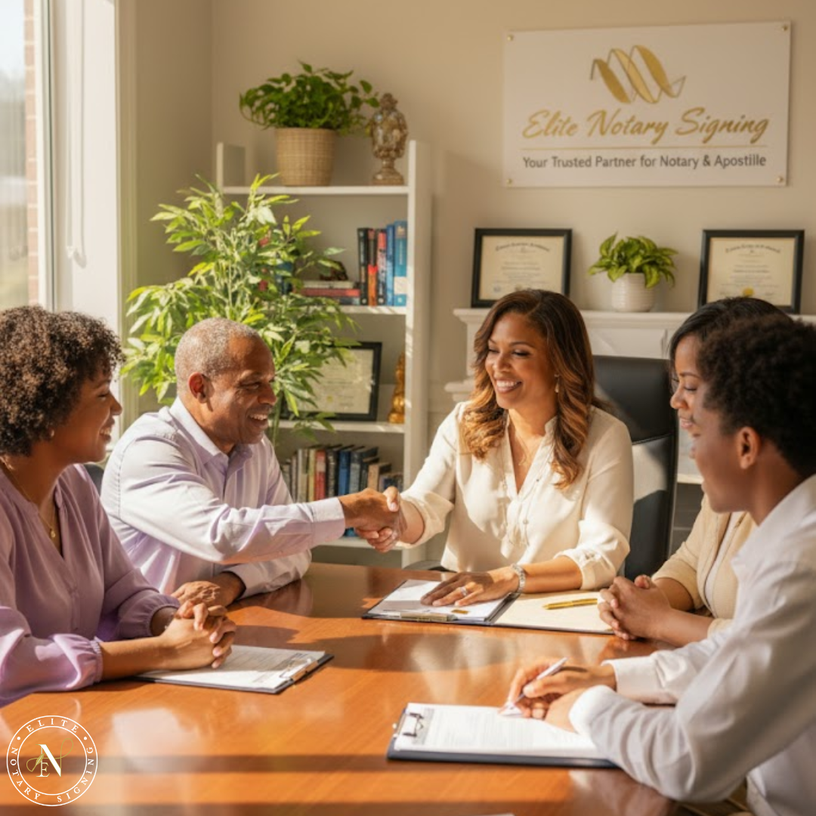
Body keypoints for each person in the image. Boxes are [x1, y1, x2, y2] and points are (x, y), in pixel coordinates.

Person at [506, 315, 816, 816]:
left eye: (700, 432)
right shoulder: (795, 538)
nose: (690, 442)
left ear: (745, 445)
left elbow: (687, 761)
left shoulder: (801, 569)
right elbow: (735, 651)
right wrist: (607, 677)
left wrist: (580, 708)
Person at [0, 307, 235, 706]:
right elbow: (9, 662)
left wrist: (172, 620)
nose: (116, 408)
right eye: (100, 394)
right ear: (44, 410)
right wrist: (166, 651)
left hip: (70, 720)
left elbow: (122, 592)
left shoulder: (73, 484)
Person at [360, 289, 634, 606]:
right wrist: (394, 517)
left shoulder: (605, 437)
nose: (498, 365)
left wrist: (505, 579)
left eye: (519, 353)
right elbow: (425, 505)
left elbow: (600, 555)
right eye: (493, 350)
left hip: (551, 610)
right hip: (464, 607)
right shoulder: (464, 421)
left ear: (559, 362)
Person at [102, 318, 399, 607]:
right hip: (144, 640)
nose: (270, 397)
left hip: (218, 630)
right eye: (252, 384)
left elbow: (293, 551)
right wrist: (350, 510)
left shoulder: (256, 448)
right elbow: (223, 536)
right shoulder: (149, 448)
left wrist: (231, 583)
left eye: (270, 382)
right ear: (200, 388)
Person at [599, 297, 785, 647]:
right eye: (677, 383)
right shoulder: (729, 470)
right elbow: (691, 560)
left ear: (746, 389)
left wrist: (660, 621)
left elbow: (771, 644)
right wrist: (646, 599)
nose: (675, 401)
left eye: (691, 386)